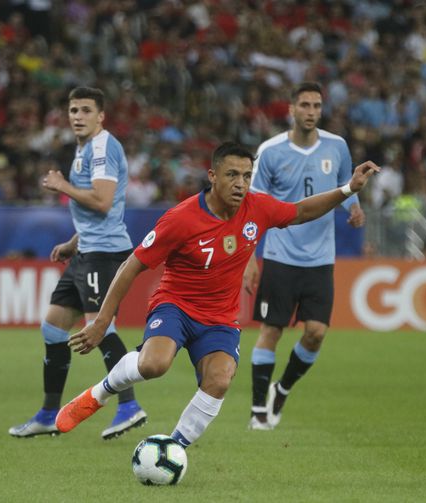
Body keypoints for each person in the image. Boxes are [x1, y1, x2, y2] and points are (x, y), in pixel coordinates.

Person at [54, 141, 378, 448]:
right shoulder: (181, 219)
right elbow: (131, 266)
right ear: (212, 176)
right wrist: (101, 321)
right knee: (154, 364)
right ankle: (97, 394)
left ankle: (173, 448)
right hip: (175, 307)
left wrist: (348, 189)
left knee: (220, 380)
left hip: (220, 319)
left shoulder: (258, 208)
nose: (241, 183)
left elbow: (301, 211)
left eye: (247, 176)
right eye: (232, 175)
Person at [8, 86, 147, 439]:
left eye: (86, 110)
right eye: (73, 110)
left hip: (105, 253)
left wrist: (62, 185)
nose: (78, 117)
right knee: (53, 327)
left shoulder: (103, 146)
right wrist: (73, 242)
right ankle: (47, 414)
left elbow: (101, 201)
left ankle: (129, 406)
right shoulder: (85, 148)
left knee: (100, 329)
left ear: (101, 116)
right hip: (87, 250)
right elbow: (100, 211)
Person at [243, 82, 367, 430]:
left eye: (316, 105)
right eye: (305, 105)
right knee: (272, 330)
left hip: (320, 258)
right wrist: (249, 258)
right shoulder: (269, 152)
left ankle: (281, 390)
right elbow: (251, 208)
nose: (311, 111)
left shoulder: (337, 146)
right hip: (281, 255)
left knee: (315, 332)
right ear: (291, 109)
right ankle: (257, 411)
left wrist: (353, 208)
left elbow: (345, 185)